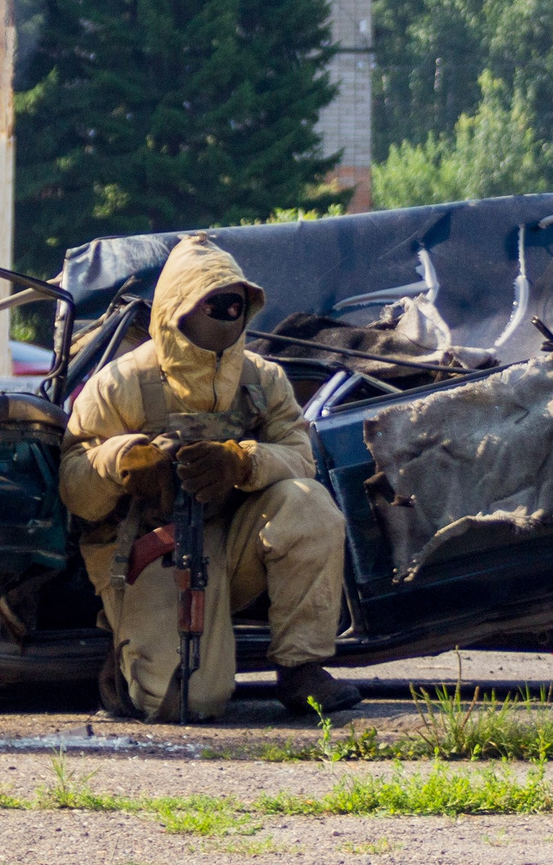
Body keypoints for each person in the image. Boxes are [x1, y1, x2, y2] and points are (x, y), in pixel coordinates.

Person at [61, 234, 362, 720]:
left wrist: (241, 462)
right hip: (149, 546)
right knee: (185, 704)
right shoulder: (122, 383)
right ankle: (124, 648)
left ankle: (301, 668)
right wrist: (123, 462)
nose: (226, 315)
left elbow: (300, 457)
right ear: (177, 308)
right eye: (212, 303)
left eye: (235, 304)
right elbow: (74, 482)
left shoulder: (262, 380)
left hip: (237, 541)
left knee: (308, 503)